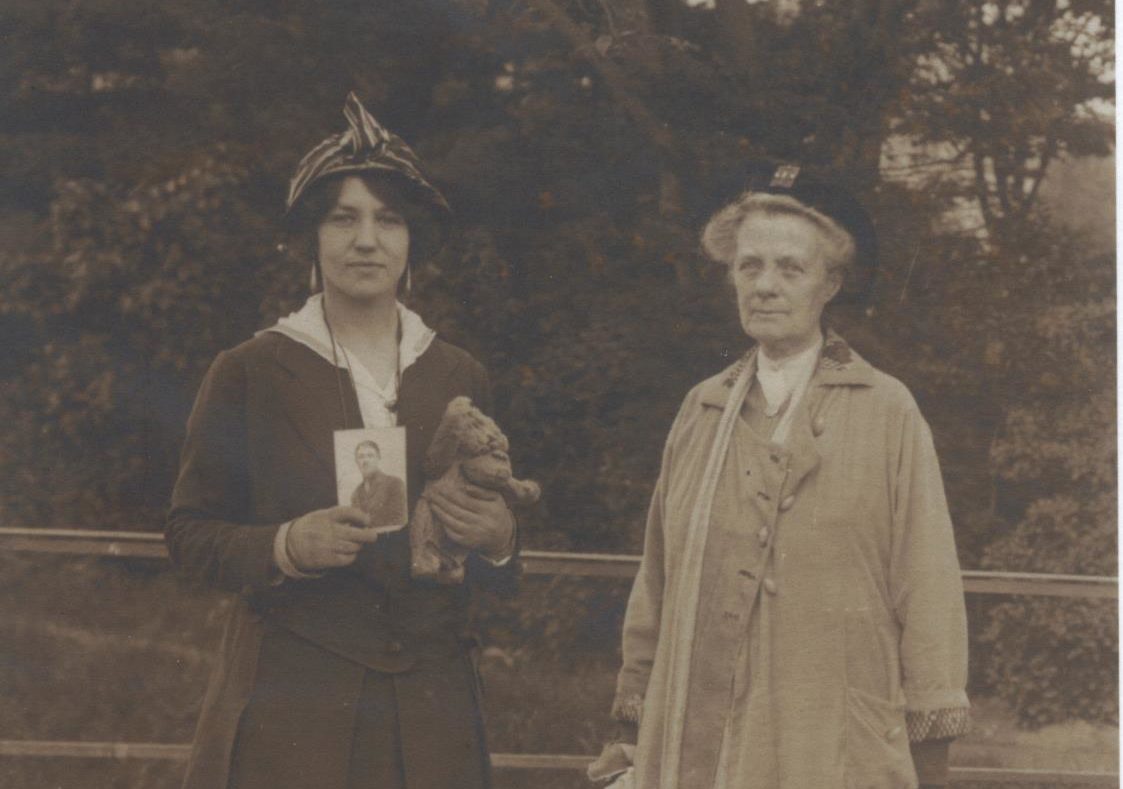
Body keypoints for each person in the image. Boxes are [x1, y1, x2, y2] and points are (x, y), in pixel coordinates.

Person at [166, 92, 517, 789]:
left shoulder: (458, 373)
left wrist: (501, 538)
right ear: (312, 237)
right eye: (343, 218)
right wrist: (285, 545)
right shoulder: (251, 369)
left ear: (411, 240)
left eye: (388, 219)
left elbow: (495, 558)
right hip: (294, 708)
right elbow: (189, 534)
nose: (366, 240)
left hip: (432, 713)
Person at [590, 164, 969, 789]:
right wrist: (630, 728)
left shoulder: (886, 410)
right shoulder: (702, 409)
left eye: (790, 268)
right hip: (701, 742)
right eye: (750, 267)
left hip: (834, 743)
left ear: (830, 283)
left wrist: (930, 750)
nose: (765, 286)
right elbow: (656, 582)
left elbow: (928, 588)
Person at [350, 440, 407, 529]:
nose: (365, 461)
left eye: (370, 455)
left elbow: (400, 523)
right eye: (361, 457)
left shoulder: (394, 484)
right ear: (356, 461)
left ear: (378, 458)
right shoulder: (356, 494)